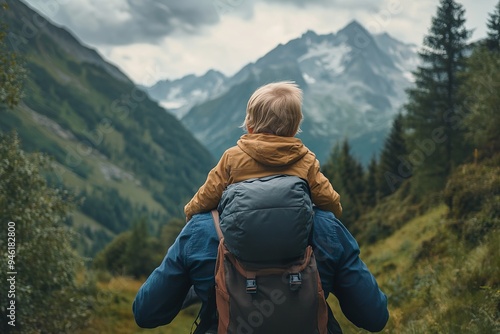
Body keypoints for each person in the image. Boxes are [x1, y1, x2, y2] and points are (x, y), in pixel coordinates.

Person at [133, 209, 389, 333]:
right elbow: (374, 317)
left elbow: (147, 312)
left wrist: (205, 288)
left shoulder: (201, 229)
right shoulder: (325, 225)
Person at [184, 81, 342, 221]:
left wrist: (190, 212)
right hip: (292, 237)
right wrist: (335, 212)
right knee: (325, 218)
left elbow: (208, 195)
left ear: (250, 126)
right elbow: (329, 201)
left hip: (240, 237)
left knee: (199, 224)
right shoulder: (306, 160)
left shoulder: (232, 157)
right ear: (294, 129)